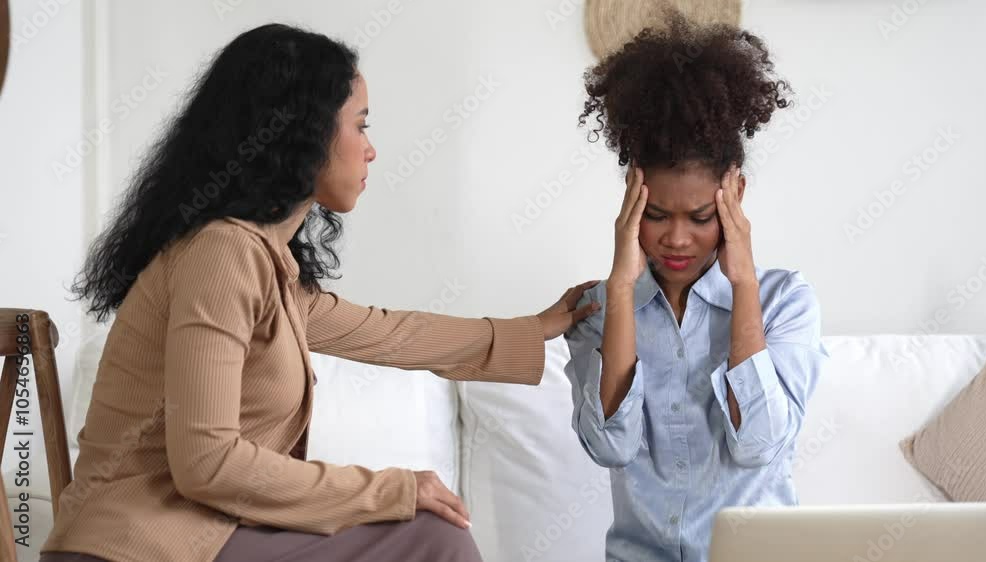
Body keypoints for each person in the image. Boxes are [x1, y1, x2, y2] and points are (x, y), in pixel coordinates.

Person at [40, 23, 598, 562]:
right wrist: (394, 489)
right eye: (361, 125)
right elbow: (207, 462)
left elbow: (391, 334)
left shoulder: (264, 265)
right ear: (303, 132)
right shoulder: (221, 254)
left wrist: (538, 329)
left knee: (432, 535)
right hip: (135, 545)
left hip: (202, 536)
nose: (370, 149)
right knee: (434, 539)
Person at [565, 15, 829, 562]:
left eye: (702, 216)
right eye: (657, 214)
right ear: (632, 196)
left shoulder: (785, 301)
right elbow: (610, 447)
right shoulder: (597, 310)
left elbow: (757, 445)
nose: (677, 239)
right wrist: (621, 288)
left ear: (736, 195)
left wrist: (743, 282)